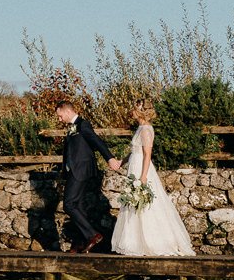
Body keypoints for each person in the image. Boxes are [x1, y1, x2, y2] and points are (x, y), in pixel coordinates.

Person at [111, 100, 196, 257]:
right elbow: (134, 151)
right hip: (134, 166)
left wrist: (143, 176)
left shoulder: (146, 130)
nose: (132, 111)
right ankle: (135, 241)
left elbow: (147, 154)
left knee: (145, 203)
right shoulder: (140, 128)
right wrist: (121, 162)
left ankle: (152, 241)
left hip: (141, 168)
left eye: (135, 108)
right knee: (134, 202)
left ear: (142, 111)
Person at [56, 100, 121, 253]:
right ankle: (80, 242)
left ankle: (93, 235)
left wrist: (110, 158)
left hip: (82, 170)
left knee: (69, 204)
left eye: (60, 116)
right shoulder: (71, 127)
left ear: (67, 111)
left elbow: (97, 142)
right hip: (74, 170)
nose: (59, 119)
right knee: (78, 206)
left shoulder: (83, 124)